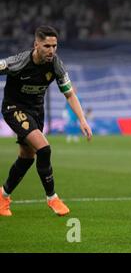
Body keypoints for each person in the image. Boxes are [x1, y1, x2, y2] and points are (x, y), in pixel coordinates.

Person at [0, 25, 92, 217]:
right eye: (46, 46)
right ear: (36, 45)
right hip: (14, 108)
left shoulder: (56, 64)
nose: (51, 50)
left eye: (54, 46)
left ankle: (3, 196)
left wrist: (82, 120)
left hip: (36, 112)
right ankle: (52, 197)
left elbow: (70, 94)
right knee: (44, 148)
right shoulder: (19, 62)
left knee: (27, 157)